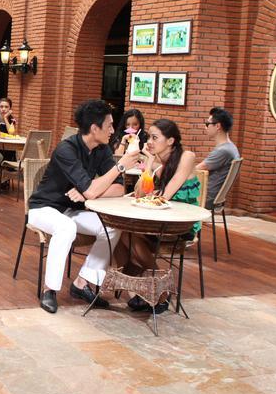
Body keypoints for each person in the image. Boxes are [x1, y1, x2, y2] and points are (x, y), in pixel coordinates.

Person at [28, 99, 143, 314]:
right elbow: (93, 191)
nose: (112, 130)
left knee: (111, 226)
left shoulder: (101, 150)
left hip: (72, 210)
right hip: (43, 208)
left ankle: (83, 282)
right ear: (94, 128)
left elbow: (118, 189)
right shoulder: (66, 149)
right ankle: (49, 290)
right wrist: (119, 167)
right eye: (109, 125)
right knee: (65, 228)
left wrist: (87, 191)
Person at [119, 119, 200, 314]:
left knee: (132, 236)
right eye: (149, 137)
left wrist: (152, 166)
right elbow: (140, 193)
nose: (150, 142)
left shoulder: (187, 156)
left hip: (181, 224)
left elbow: (166, 196)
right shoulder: (156, 161)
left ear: (171, 141)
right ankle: (147, 287)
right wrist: (148, 163)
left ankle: (157, 290)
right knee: (122, 233)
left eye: (155, 138)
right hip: (159, 220)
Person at [195, 107, 239, 209]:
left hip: (206, 197)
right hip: (213, 196)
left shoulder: (223, 151)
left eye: (207, 124)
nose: (205, 127)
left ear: (218, 126)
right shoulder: (231, 147)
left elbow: (198, 169)